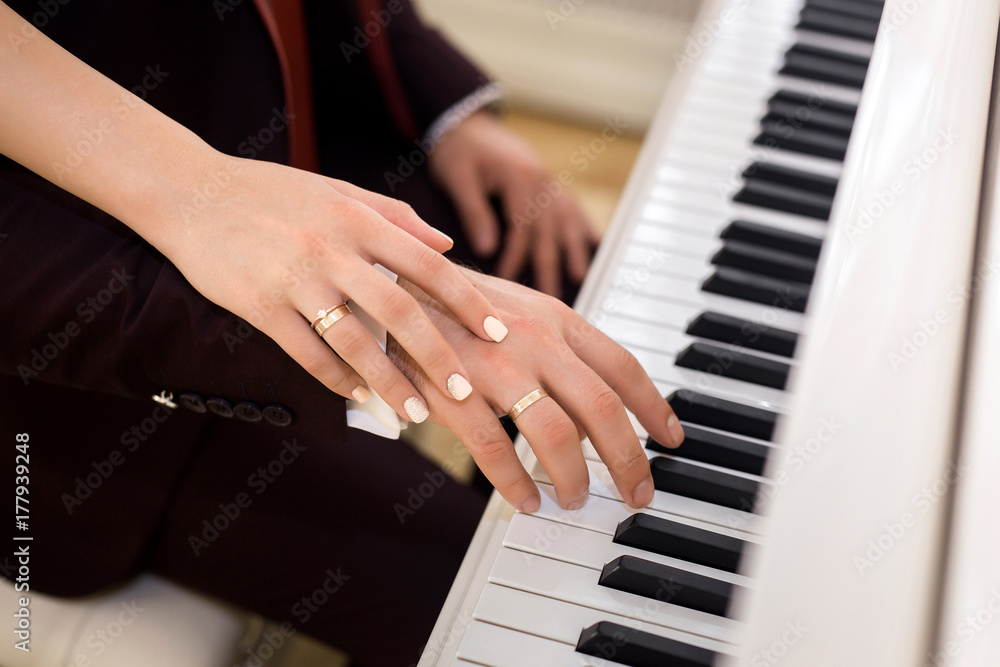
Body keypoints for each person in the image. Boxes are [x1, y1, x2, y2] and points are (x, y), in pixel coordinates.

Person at [0, 1, 684, 664]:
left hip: (303, 151)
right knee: (513, 609)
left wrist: (451, 114)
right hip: (101, 382)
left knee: (594, 306)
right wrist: (387, 326)